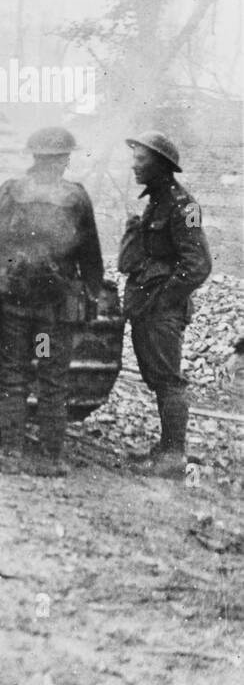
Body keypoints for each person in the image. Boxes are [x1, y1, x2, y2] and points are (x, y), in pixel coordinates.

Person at [0, 127, 105, 474]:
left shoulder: (11, 192)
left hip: (16, 306)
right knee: (51, 379)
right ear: (64, 160)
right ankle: (51, 459)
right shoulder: (76, 198)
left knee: (14, 378)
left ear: (33, 157)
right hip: (52, 316)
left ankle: (12, 457)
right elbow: (91, 255)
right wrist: (91, 298)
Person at [118, 131, 212, 478]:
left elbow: (199, 264)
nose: (134, 165)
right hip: (146, 305)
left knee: (169, 379)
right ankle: (166, 448)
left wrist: (164, 301)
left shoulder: (185, 207)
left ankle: (174, 454)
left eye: (141, 160)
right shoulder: (155, 202)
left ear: (160, 165)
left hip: (160, 309)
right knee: (158, 377)